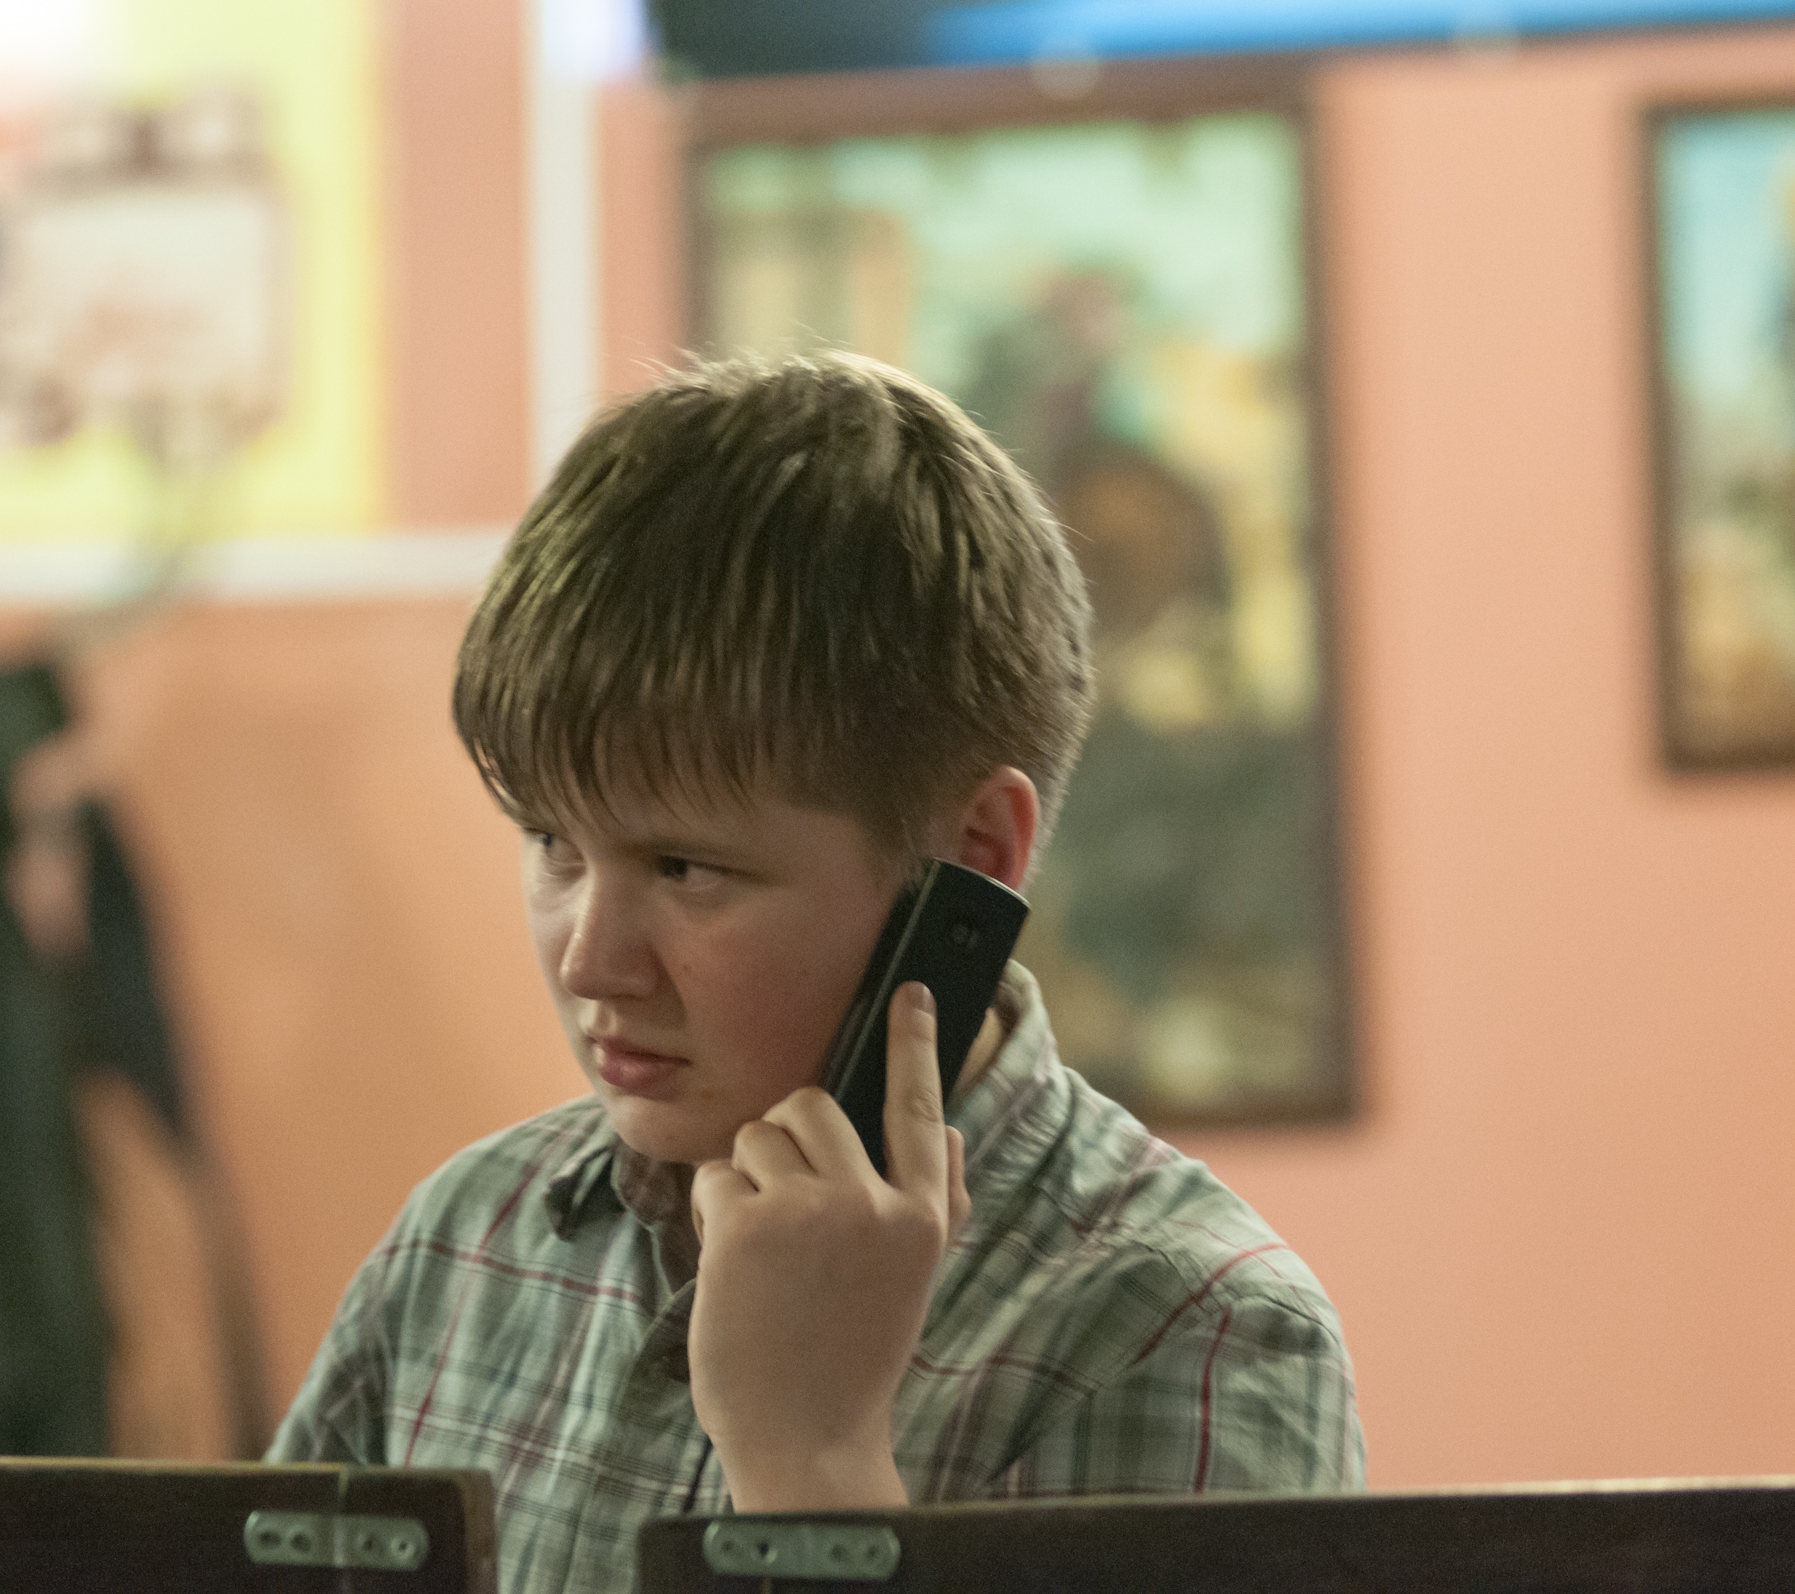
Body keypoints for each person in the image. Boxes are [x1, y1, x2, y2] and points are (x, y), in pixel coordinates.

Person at [267, 353, 1363, 1591]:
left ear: (974, 855)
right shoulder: (468, 1241)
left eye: (685, 867)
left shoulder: (1190, 1334)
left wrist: (814, 1461)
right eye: (552, 844)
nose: (591, 960)